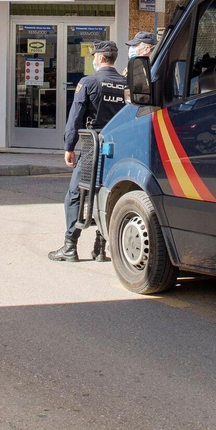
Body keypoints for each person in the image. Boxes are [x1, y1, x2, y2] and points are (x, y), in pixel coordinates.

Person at [48, 40, 128, 263]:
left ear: (100, 58)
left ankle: (70, 246)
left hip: (93, 148)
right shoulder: (126, 84)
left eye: (94, 56)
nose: (93, 60)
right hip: (118, 149)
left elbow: (75, 117)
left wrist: (69, 147)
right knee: (106, 193)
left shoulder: (89, 82)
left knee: (75, 195)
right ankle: (100, 247)